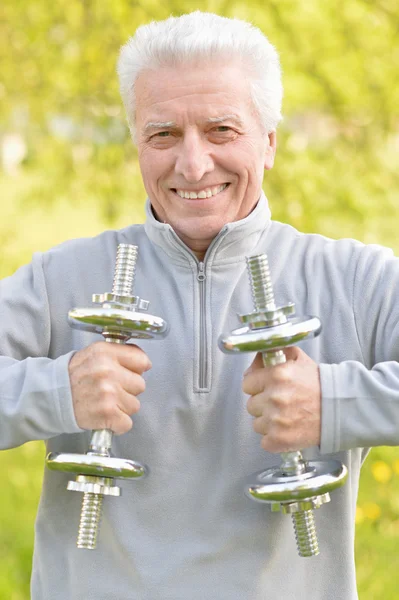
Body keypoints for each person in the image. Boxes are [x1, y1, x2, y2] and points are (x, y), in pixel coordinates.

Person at [1, 10, 398, 600]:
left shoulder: (358, 280)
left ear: (269, 143)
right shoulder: (60, 280)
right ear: (137, 142)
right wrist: (55, 391)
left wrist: (338, 402)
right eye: (163, 134)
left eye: (221, 130)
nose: (192, 165)